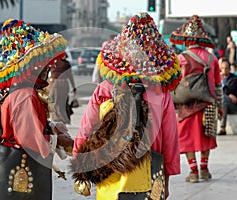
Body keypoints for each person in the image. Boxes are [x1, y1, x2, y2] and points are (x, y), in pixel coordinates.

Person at [71, 12, 181, 199]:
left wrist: (79, 163)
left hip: (110, 169)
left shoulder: (105, 89)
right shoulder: (161, 94)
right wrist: (167, 177)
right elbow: (170, 141)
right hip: (150, 173)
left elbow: (86, 129)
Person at [0, 18, 73, 200]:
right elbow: (29, 138)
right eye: (45, 63)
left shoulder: (23, 93)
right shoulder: (24, 96)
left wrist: (51, 126)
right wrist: (59, 140)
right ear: (32, 65)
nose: (49, 67)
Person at [170, 15, 224, 183]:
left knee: (187, 138)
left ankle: (193, 171)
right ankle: (204, 168)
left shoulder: (180, 59)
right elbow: (217, 86)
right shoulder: (212, 58)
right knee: (206, 136)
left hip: (186, 106)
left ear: (186, 41)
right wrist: (220, 105)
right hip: (207, 103)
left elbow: (173, 83)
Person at [48, 53, 76, 124]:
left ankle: (56, 117)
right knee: (62, 101)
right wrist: (74, 87)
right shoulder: (66, 64)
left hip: (53, 83)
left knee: (54, 101)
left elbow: (46, 72)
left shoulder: (53, 62)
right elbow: (70, 76)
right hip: (64, 84)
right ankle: (63, 117)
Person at [218, 58, 237, 135]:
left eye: (226, 68)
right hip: (221, 104)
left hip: (232, 105)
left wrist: (222, 83)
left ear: (229, 69)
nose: (224, 70)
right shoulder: (217, 79)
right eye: (222, 68)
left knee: (224, 98)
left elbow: (229, 89)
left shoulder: (234, 79)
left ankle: (223, 128)